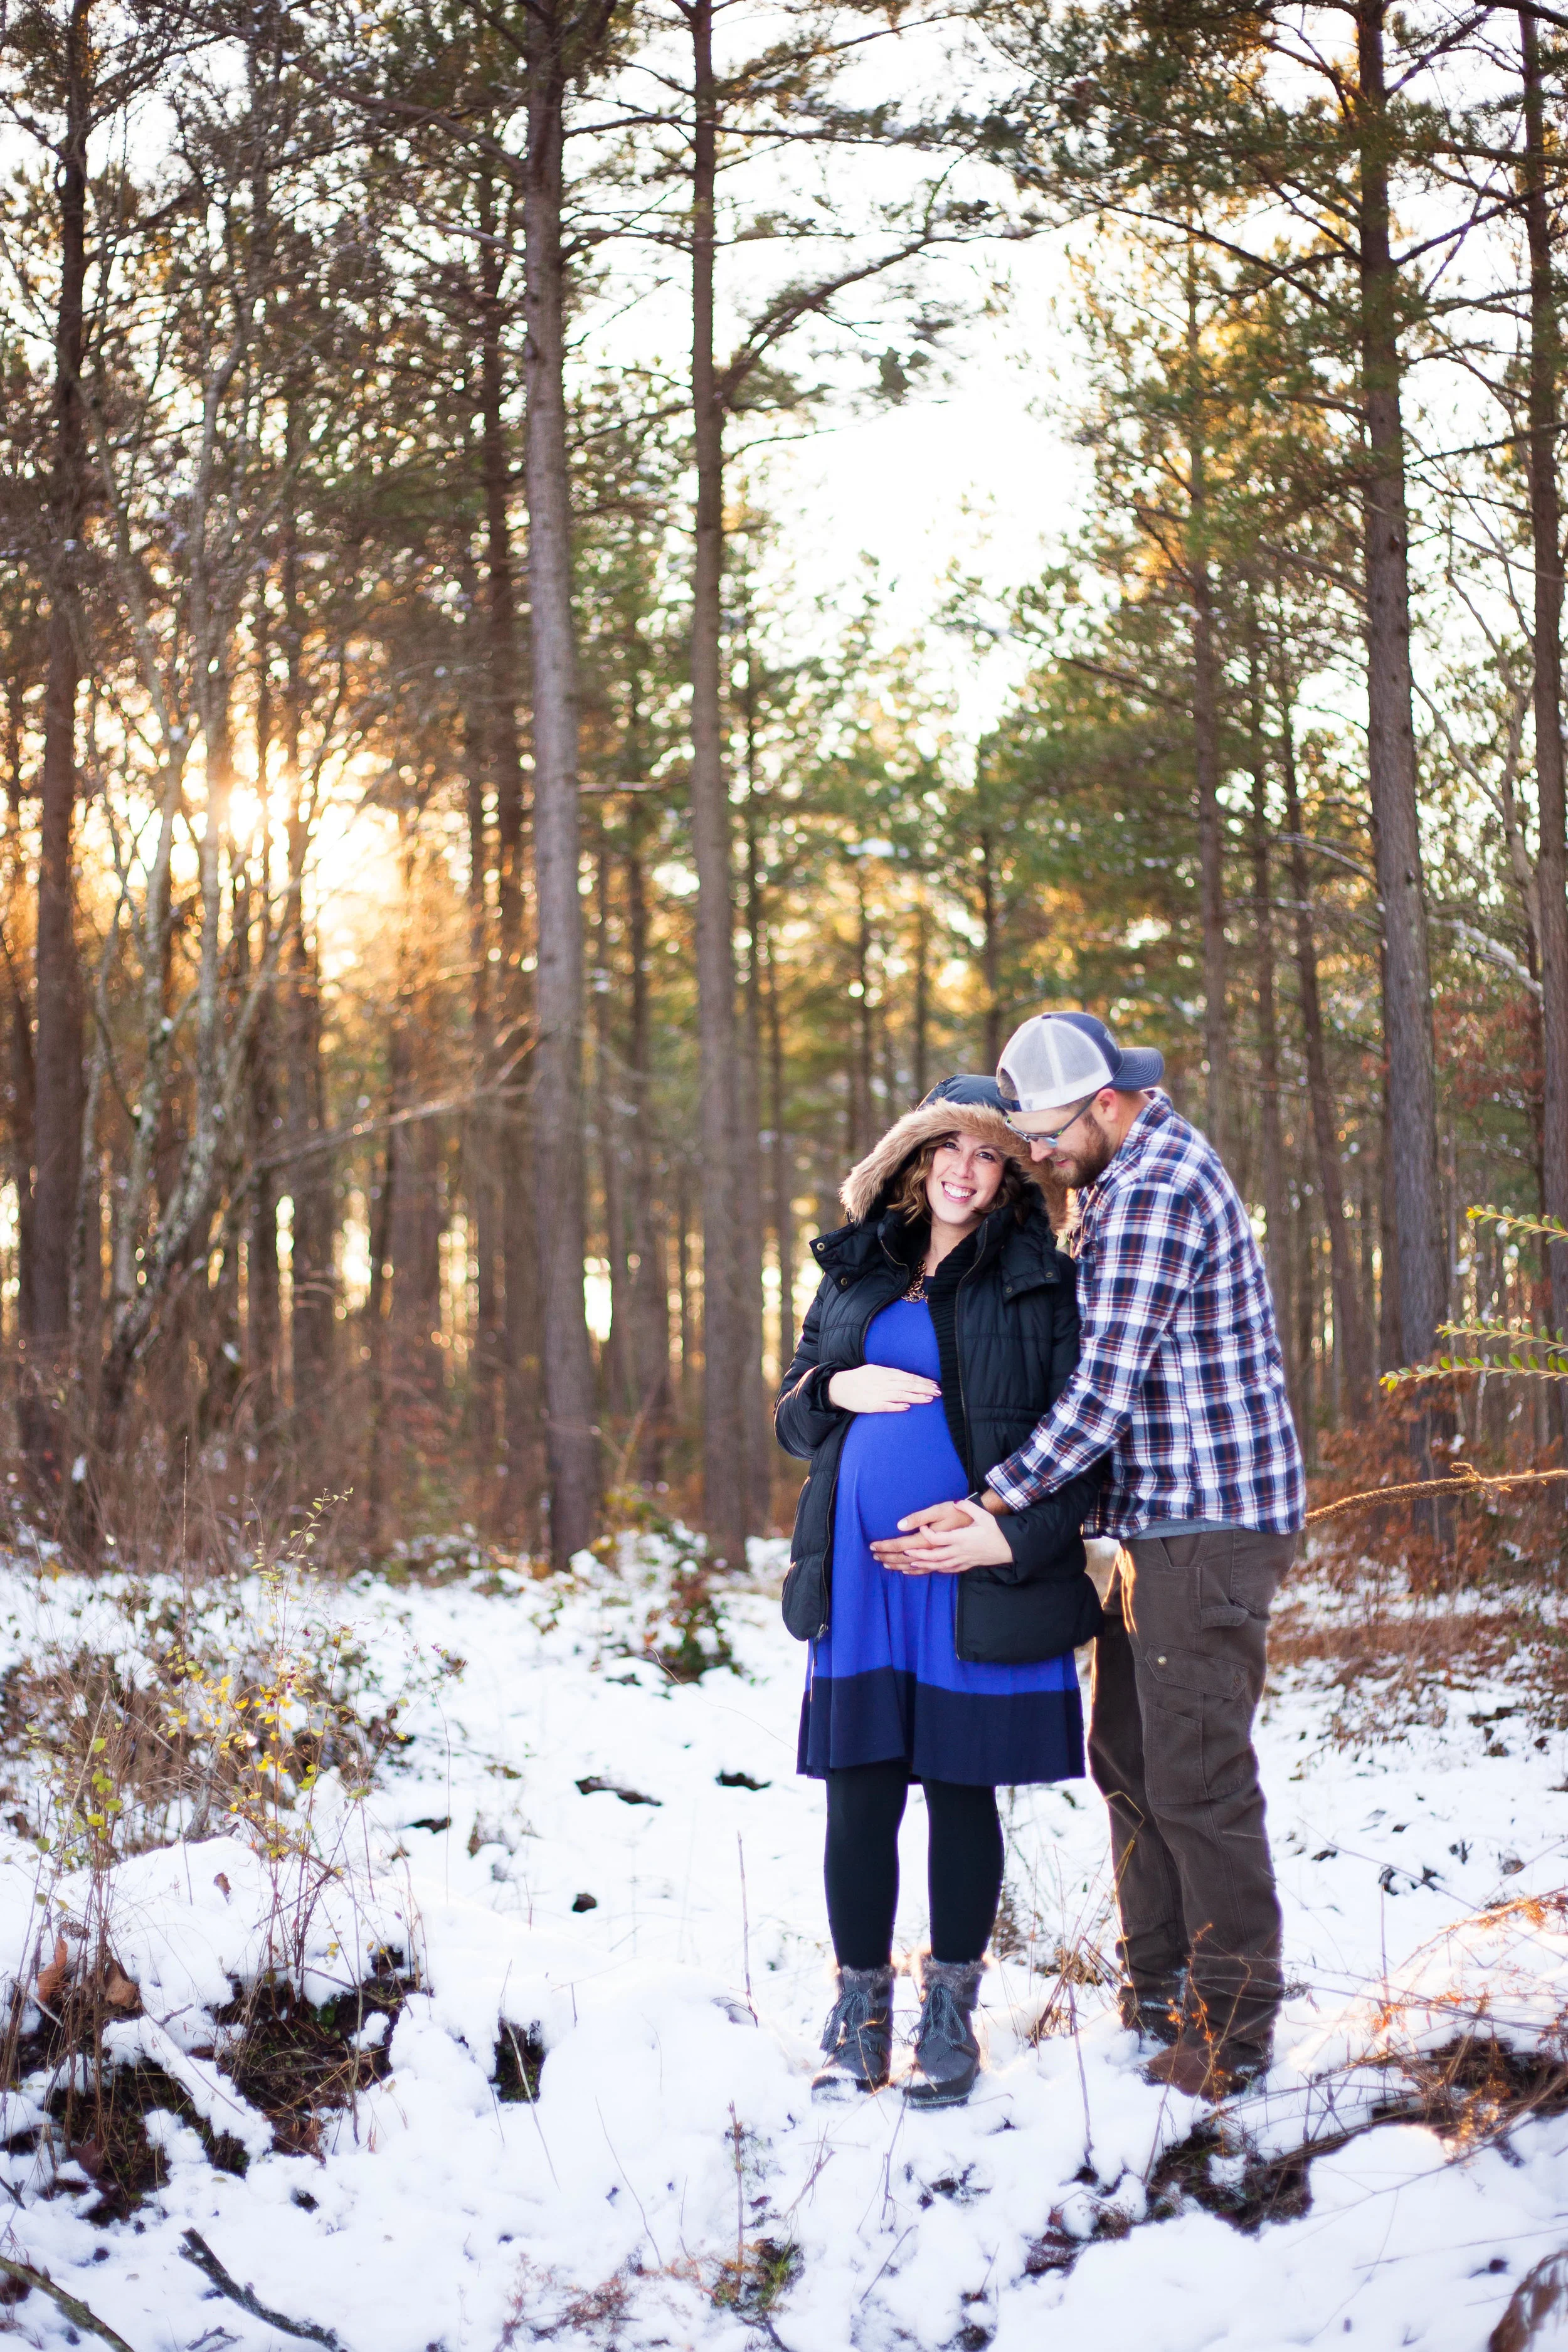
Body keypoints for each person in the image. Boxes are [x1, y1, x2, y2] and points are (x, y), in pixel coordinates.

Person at [892, 1014, 1306, 2099]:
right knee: (1126, 1757)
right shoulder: (1116, 1187)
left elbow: (1102, 1393)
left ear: (1108, 1105)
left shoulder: (1155, 1190)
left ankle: (1231, 2028)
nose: (1035, 1153)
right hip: (1150, 1528)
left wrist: (995, 1499)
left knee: (1197, 1774)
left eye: (1045, 1133)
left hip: (1205, 1526)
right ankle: (1160, 1989)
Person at [775, 1076, 1103, 2109]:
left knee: (961, 1790)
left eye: (989, 1152)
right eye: (945, 1148)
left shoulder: (1040, 1280)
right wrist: (839, 1385)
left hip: (971, 1577)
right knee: (860, 1792)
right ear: (917, 1161)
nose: (964, 1168)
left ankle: (952, 2019)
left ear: (1010, 1173)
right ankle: (860, 2016)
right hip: (864, 1577)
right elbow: (789, 1414)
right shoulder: (856, 1267)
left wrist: (993, 1535)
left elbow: (1082, 1450)